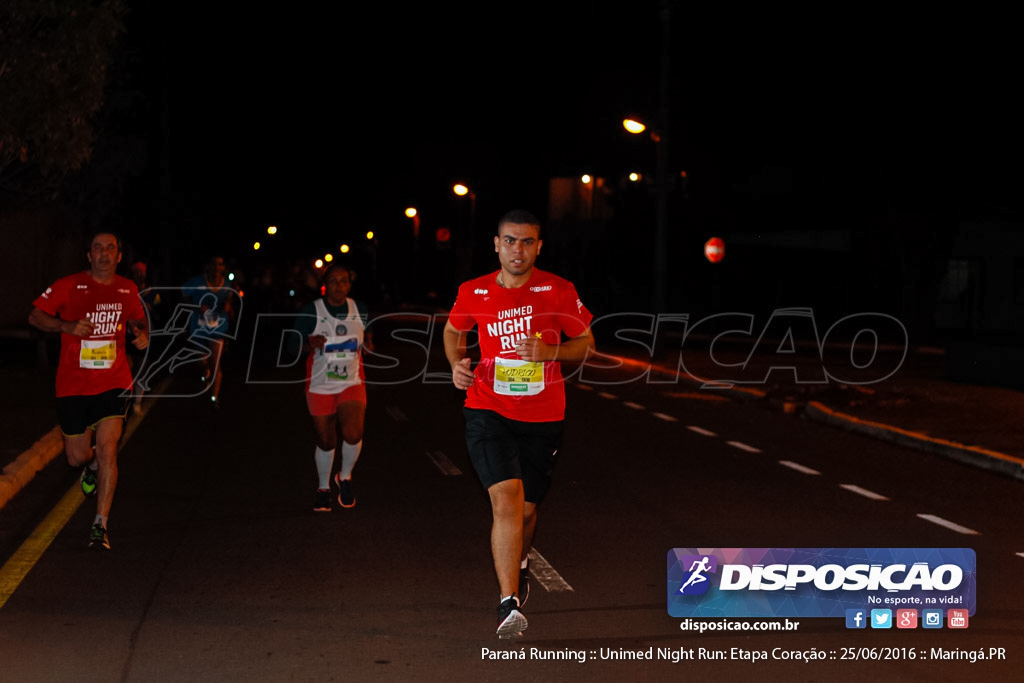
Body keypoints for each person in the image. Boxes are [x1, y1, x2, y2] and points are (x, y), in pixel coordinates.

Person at [443, 209, 595, 638]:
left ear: (539, 247)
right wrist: (457, 364)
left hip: (543, 415)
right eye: (510, 240)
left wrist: (550, 354)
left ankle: (521, 561)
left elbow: (585, 343)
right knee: (507, 498)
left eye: (527, 242)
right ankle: (508, 602)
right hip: (487, 408)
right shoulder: (473, 291)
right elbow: (453, 332)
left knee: (528, 511)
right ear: (496, 243)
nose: (518, 249)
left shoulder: (558, 291)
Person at [28, 231, 149, 550]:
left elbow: (138, 321)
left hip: (114, 381)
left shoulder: (127, 288)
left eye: (111, 248)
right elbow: (35, 315)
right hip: (73, 386)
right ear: (89, 255)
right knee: (76, 457)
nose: (105, 254)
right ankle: (91, 466)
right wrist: (64, 326)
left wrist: (141, 334)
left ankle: (100, 525)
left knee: (109, 448)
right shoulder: (69, 285)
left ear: (119, 256)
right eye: (98, 248)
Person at [292, 264, 373, 512]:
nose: (339, 285)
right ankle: (323, 487)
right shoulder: (311, 311)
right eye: (334, 281)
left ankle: (345, 477)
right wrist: (310, 344)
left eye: (344, 280)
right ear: (325, 284)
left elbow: (366, 339)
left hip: (351, 381)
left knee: (353, 433)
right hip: (319, 383)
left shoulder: (359, 309)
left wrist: (368, 345)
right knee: (326, 441)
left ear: (350, 284)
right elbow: (291, 346)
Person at [182, 256, 236, 405]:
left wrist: (227, 306)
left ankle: (214, 397)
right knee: (202, 361)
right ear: (208, 266)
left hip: (217, 328)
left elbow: (229, 300)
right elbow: (182, 297)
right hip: (198, 328)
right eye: (214, 264)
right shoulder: (196, 282)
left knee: (215, 363)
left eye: (220, 264)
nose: (217, 268)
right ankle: (205, 371)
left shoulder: (226, 284)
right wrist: (196, 307)